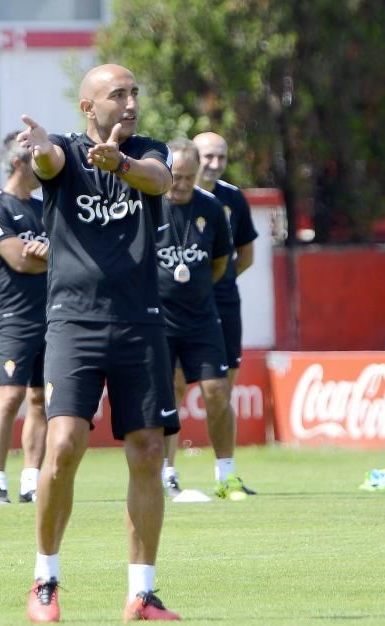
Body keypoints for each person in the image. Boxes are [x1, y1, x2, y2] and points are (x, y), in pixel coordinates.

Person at [16, 64, 182, 623]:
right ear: (89, 108)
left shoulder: (149, 150)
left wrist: (122, 163)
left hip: (141, 322)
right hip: (74, 323)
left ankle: (142, 594)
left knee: (149, 452)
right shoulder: (63, 150)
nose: (131, 101)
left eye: (135, 91)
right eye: (118, 94)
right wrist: (39, 150)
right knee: (62, 446)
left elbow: (158, 179)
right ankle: (45, 581)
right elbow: (49, 162)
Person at [160, 131, 259, 497]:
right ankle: (166, 472)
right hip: (160, 318)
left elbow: (224, 261)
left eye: (189, 177)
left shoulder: (215, 207)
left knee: (218, 391)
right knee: (167, 393)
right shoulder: (150, 203)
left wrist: (196, 288)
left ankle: (226, 475)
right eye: (177, 177)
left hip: (203, 315)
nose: (183, 184)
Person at [0, 132, 49, 505]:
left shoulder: (45, 206)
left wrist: (47, 255)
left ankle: (31, 482)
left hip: (54, 315)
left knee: (41, 400)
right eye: (36, 159)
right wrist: (47, 257)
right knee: (9, 396)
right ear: (19, 162)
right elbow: (19, 260)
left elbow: (68, 255)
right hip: (16, 316)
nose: (44, 166)